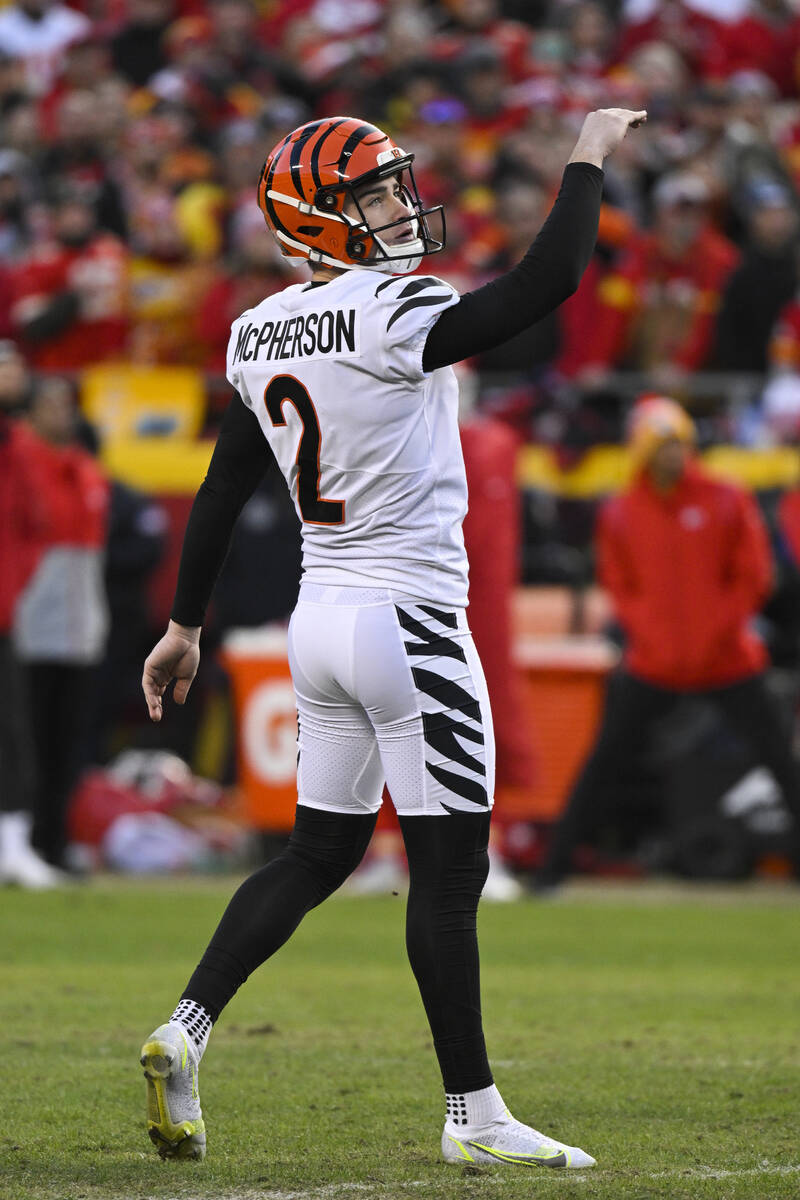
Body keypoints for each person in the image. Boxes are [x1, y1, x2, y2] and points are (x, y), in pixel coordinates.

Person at [139, 106, 646, 1170]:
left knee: (318, 853)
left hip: (318, 621)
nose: (399, 206)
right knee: (449, 869)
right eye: (371, 194)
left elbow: (226, 483)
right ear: (316, 220)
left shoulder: (257, 327)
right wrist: (587, 154)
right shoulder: (390, 309)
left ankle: (183, 1031)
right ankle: (473, 1115)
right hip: (408, 619)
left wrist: (184, 621)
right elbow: (545, 284)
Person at [537, 395, 800, 889]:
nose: (673, 454)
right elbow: (620, 583)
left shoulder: (725, 496)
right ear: (642, 449)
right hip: (655, 663)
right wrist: (654, 637)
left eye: (679, 443)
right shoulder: (622, 511)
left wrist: (714, 631)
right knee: (603, 760)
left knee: (780, 761)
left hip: (727, 659)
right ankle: (553, 869)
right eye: (662, 445)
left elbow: (752, 576)